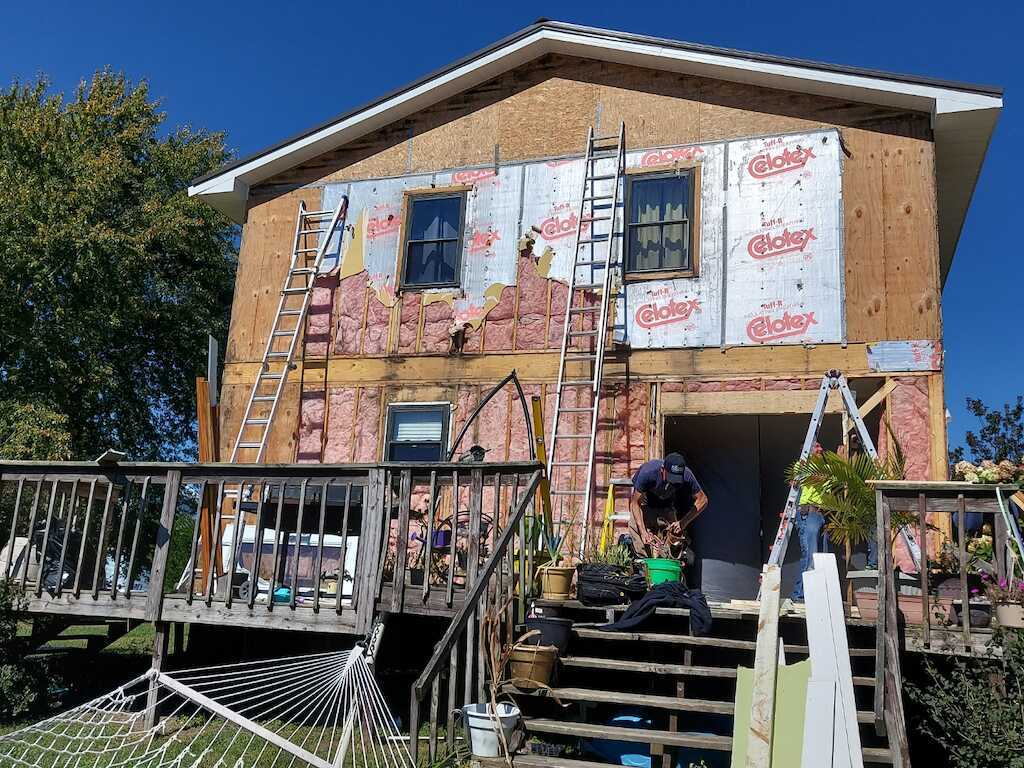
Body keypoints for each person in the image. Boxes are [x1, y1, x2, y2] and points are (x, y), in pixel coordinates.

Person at [629, 452, 708, 560]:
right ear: (662, 470)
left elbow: (703, 500)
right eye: (671, 477)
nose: (673, 482)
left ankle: (669, 568)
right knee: (639, 535)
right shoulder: (648, 472)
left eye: (677, 479)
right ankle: (643, 568)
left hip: (666, 506)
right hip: (645, 504)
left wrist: (683, 522)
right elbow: (635, 503)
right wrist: (643, 531)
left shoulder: (687, 475)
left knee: (674, 539)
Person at [791, 442, 829, 602]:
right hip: (808, 512)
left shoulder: (825, 467)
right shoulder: (802, 465)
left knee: (821, 555)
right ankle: (801, 595)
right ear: (807, 449)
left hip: (821, 513)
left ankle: (808, 593)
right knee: (810, 554)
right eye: (817, 447)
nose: (821, 449)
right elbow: (802, 480)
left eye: (821, 447)